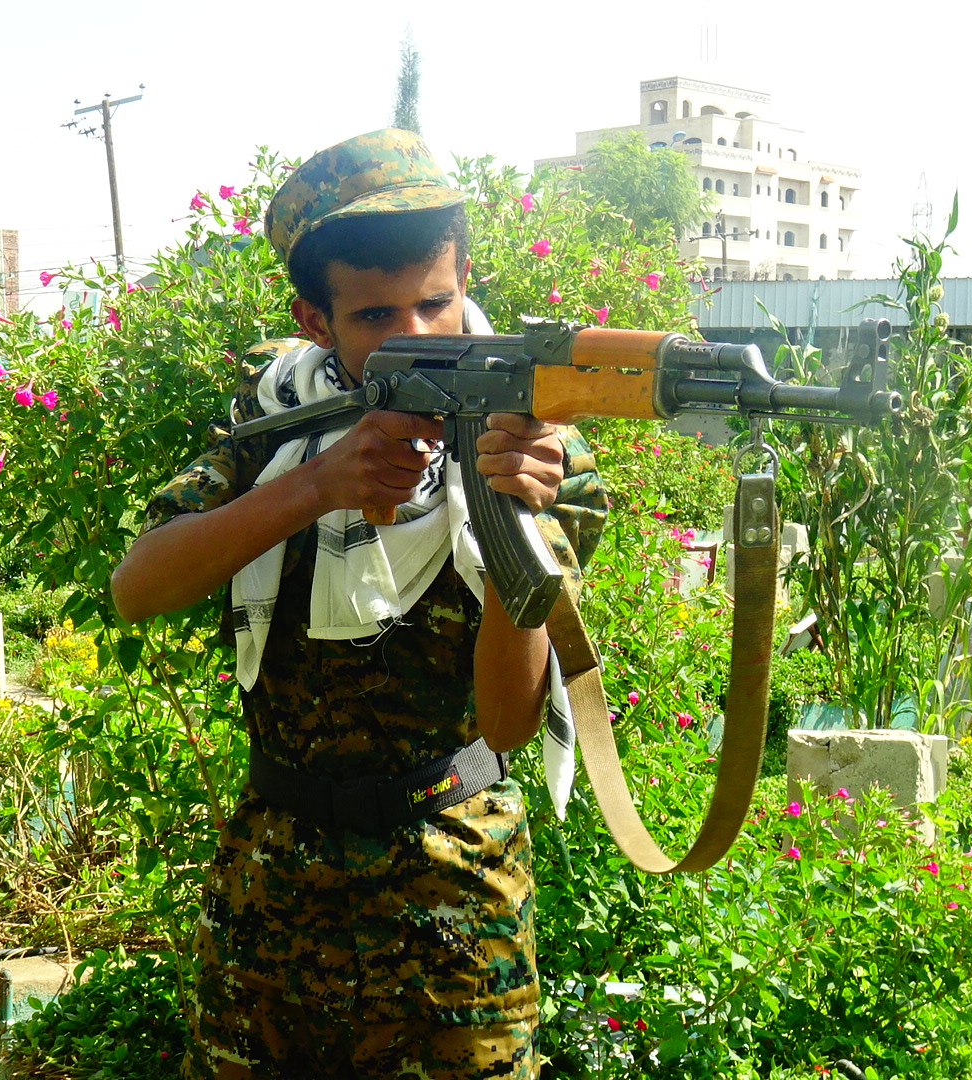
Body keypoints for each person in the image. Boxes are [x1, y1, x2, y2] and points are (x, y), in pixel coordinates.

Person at [111, 129, 606, 1080]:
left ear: (466, 281)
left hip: (454, 894)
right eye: (377, 314)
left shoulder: (536, 443)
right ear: (314, 320)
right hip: (273, 886)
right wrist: (315, 485)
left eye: (436, 302)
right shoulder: (275, 424)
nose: (416, 334)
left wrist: (508, 516)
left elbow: (507, 721)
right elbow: (139, 588)